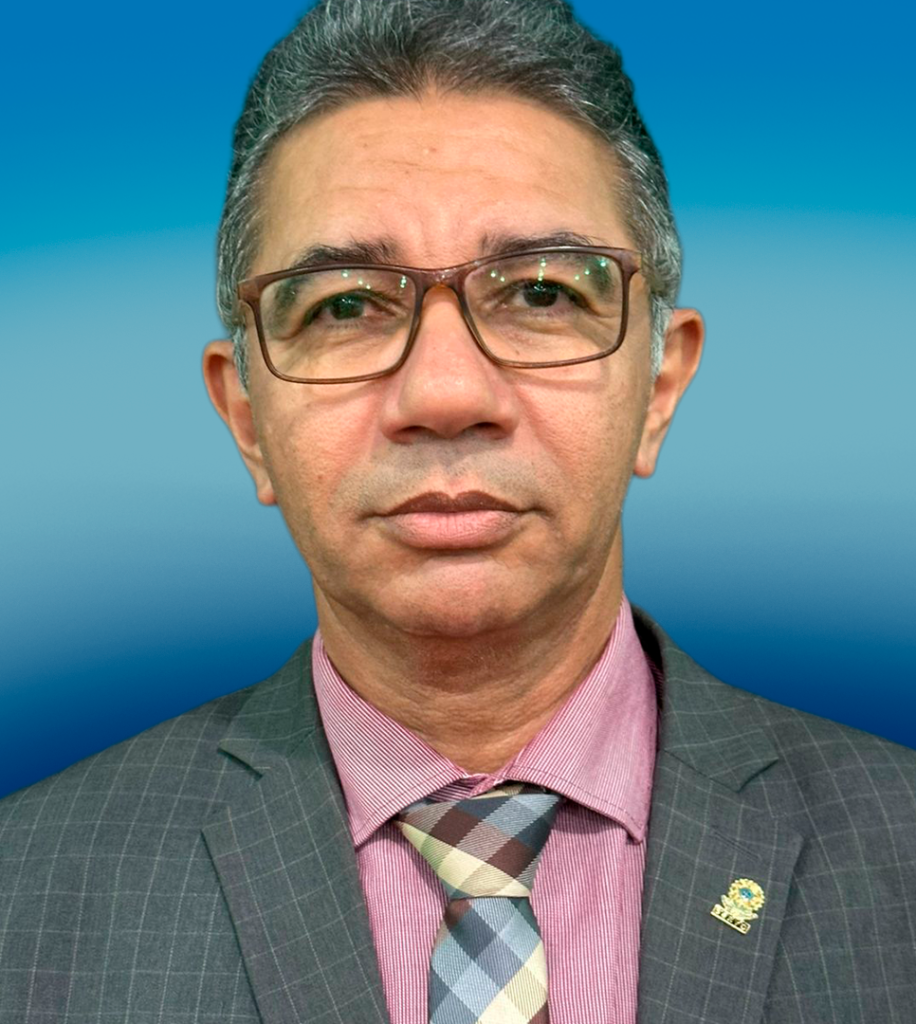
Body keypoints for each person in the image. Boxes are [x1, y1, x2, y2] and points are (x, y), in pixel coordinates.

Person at [1, 1, 914, 1021]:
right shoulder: (25, 892)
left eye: (540, 293)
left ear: (659, 388)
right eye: (347, 304)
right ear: (247, 418)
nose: (444, 394)